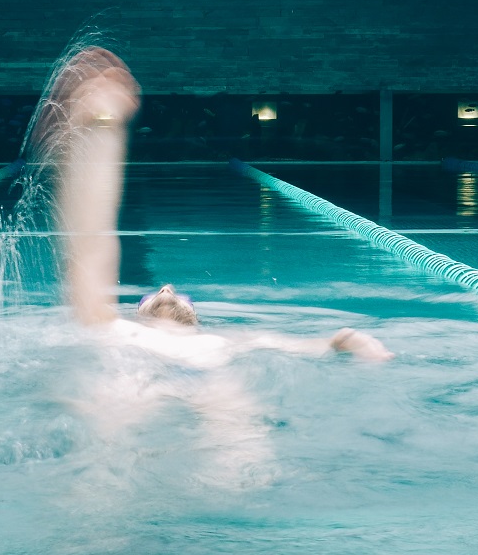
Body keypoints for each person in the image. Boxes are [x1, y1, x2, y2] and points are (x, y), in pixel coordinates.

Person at [35, 46, 392, 367]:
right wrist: (100, 129)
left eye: (169, 293)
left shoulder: (221, 341)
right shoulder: (116, 329)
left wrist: (347, 340)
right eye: (168, 293)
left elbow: (316, 345)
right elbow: (91, 247)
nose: (167, 288)